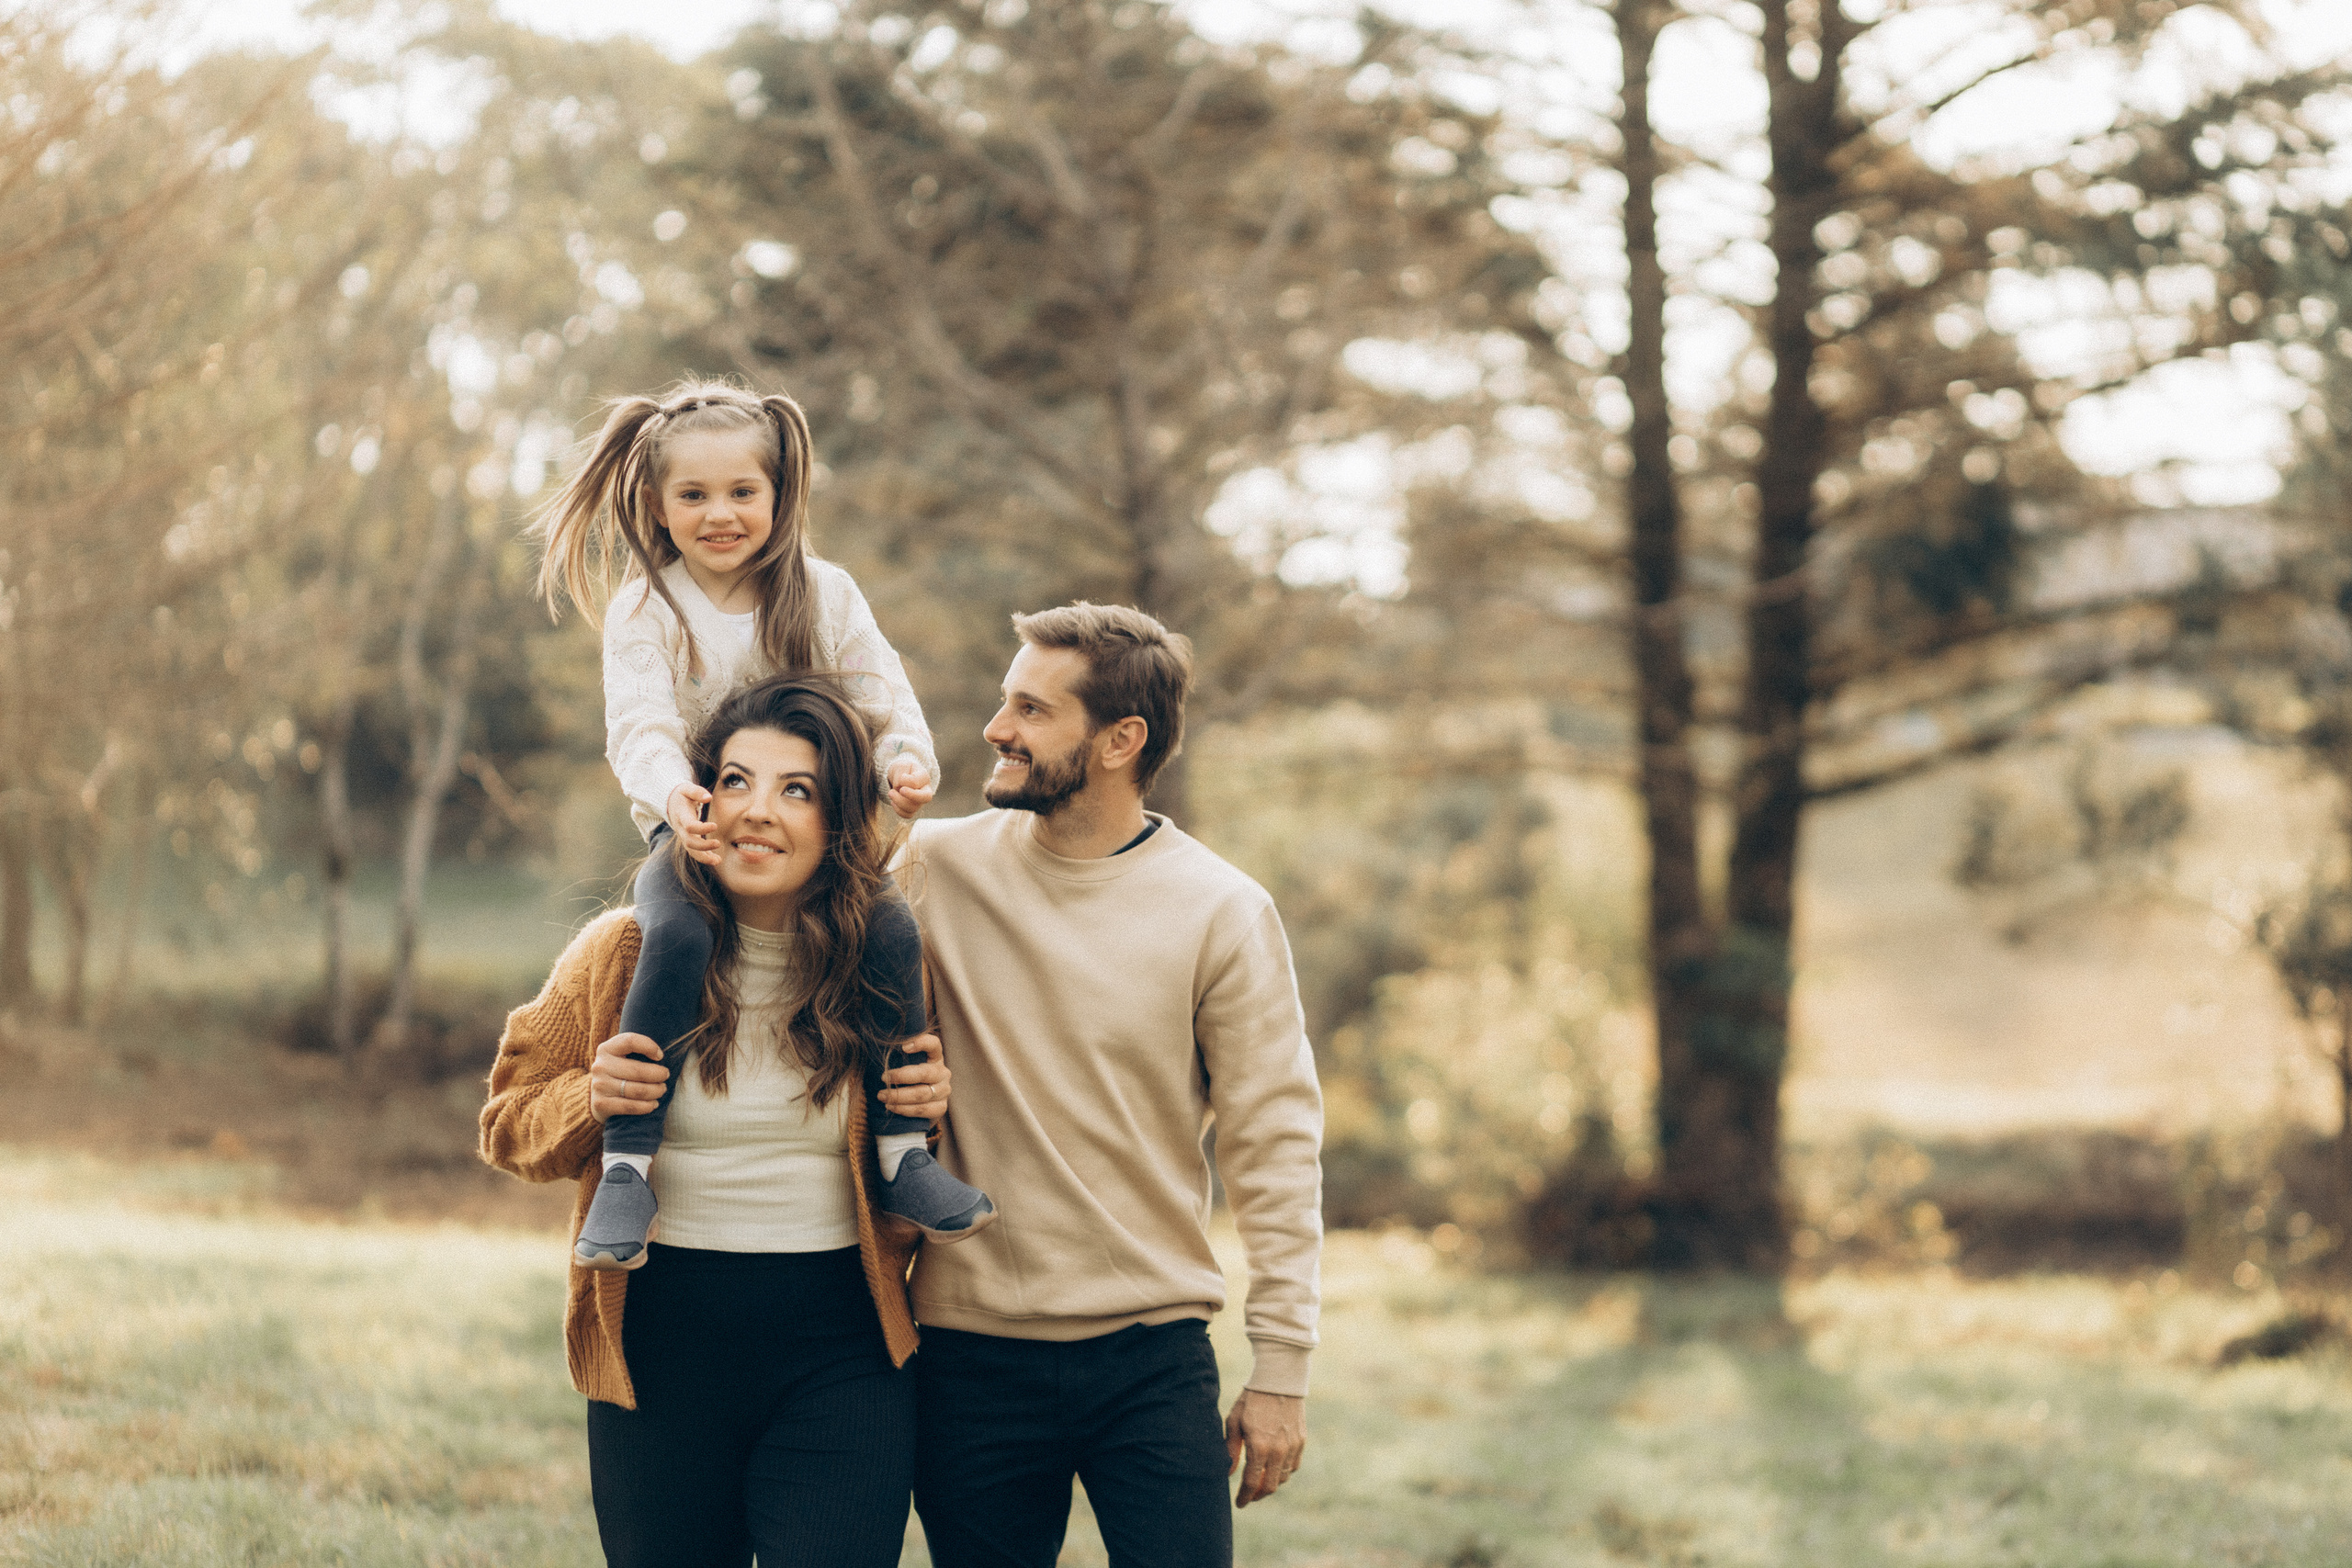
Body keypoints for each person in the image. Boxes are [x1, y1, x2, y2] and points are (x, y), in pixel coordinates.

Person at [481, 676, 957, 1568]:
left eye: (796, 790)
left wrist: (931, 1108)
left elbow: (918, 1151)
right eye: (734, 782)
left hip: (844, 1351)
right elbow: (505, 1121)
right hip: (660, 1344)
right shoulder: (622, 951)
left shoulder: (882, 964)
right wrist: (590, 1098)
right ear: (697, 799)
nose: (755, 813)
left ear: (840, 818)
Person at [899, 603, 1324, 1568]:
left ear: (1119, 741)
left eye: (1031, 710)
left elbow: (1274, 1143)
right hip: (968, 1354)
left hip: (1149, 1355)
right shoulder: (932, 868)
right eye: (1006, 701)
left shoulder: (1221, 909)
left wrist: (1282, 1371)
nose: (996, 728)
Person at [534, 378, 992, 1266]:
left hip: (810, 834)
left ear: (779, 496)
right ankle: (631, 1168)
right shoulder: (648, 608)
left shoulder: (822, 593)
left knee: (891, 927)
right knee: (671, 934)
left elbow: (879, 690)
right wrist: (678, 798)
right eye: (693, 496)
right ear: (658, 508)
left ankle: (902, 1154)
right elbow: (639, 723)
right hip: (697, 833)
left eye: (743, 491)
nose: (720, 514)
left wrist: (906, 763)